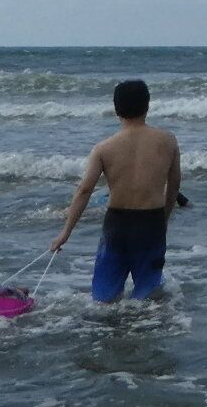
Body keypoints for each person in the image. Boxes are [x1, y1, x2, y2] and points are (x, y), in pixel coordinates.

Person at [50, 79, 182, 302]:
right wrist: (164, 218)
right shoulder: (168, 141)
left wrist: (65, 233)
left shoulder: (104, 148)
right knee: (147, 294)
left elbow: (84, 191)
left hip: (117, 224)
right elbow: (175, 184)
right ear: (148, 105)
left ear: (116, 108)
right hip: (151, 223)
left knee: (104, 297)